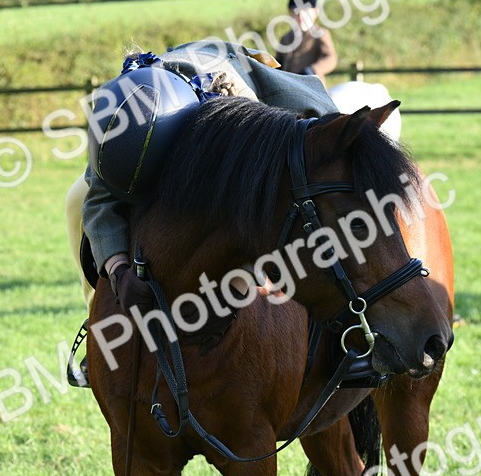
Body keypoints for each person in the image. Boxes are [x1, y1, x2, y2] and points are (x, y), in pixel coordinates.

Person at [74, 39, 339, 313]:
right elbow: (97, 203)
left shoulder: (235, 120)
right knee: (75, 200)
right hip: (162, 83)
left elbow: (258, 199)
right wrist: (118, 272)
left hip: (231, 69)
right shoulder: (113, 122)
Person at [275, 0, 338, 83]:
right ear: (290, 14)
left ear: (315, 12)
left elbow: (330, 58)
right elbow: (278, 64)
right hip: (288, 87)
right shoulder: (285, 38)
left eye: (306, 11)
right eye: (296, 12)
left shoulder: (320, 34)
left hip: (312, 88)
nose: (301, 16)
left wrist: (312, 70)